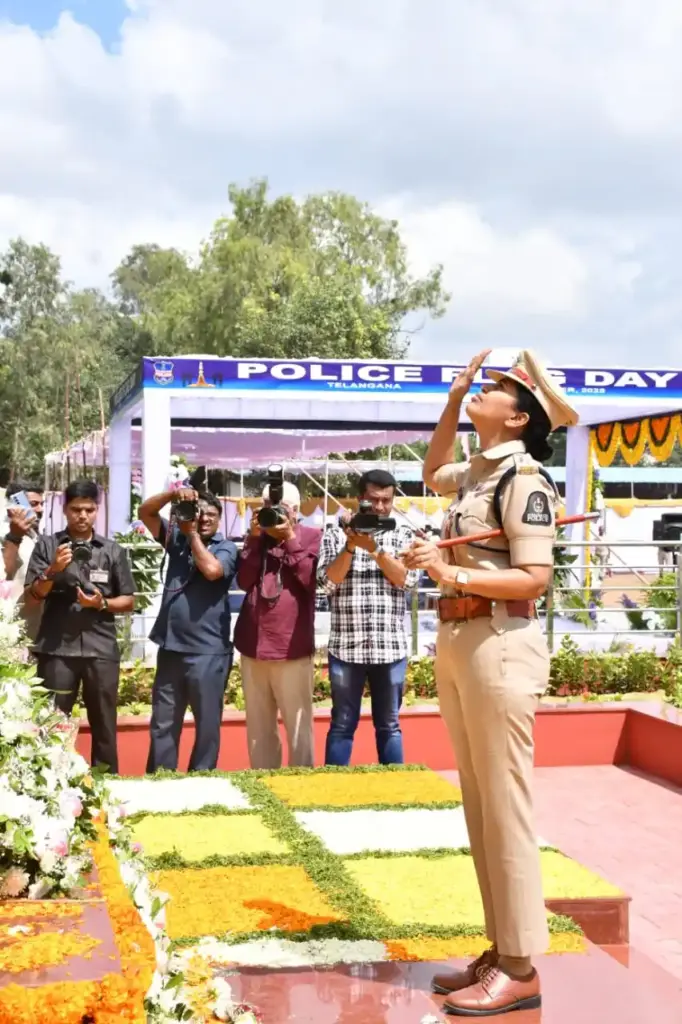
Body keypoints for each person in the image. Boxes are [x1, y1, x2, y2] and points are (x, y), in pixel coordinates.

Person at [402, 350, 579, 1017]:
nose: (485, 390)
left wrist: (452, 576)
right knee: (479, 806)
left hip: (501, 643)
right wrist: (450, 403)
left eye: (497, 389)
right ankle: (500, 949)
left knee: (505, 808)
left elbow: (534, 578)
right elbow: (430, 470)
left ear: (519, 415)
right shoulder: (479, 471)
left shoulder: (525, 479)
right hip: (463, 644)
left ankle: (520, 966)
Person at [24, 479, 135, 773]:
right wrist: (53, 569)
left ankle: (107, 786)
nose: (82, 516)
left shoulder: (113, 550)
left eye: (89, 509)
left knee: (104, 723)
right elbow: (33, 596)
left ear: (97, 510)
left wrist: (101, 604)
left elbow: (129, 600)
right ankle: (49, 789)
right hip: (57, 650)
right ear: (65, 510)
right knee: (51, 725)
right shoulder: (48, 545)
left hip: (100, 650)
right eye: (76, 509)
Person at [317, 469, 419, 766]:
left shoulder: (402, 534)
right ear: (360, 499)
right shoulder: (336, 534)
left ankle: (396, 793)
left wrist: (373, 548)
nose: (380, 507)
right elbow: (326, 584)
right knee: (341, 725)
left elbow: (408, 581)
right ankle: (333, 794)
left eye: (386, 500)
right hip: (347, 648)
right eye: (373, 500)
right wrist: (351, 545)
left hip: (390, 648)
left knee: (389, 726)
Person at [139, 486, 239, 773]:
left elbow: (212, 571)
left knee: (207, 722)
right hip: (171, 647)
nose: (205, 519)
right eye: (200, 513)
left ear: (220, 518)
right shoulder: (177, 540)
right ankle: (160, 779)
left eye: (211, 514)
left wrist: (192, 533)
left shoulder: (226, 547)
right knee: (163, 721)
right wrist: (173, 496)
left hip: (208, 651)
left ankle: (202, 778)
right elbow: (145, 512)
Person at [234, 481, 321, 768]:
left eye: (281, 509)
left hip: (291, 648)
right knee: (259, 731)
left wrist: (290, 539)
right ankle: (263, 786)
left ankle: (303, 791)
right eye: (269, 509)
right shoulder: (257, 539)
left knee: (299, 730)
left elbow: (312, 581)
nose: (274, 515)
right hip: (253, 645)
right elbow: (244, 581)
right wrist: (256, 538)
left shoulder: (311, 536)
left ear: (295, 511)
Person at [2, 480, 45, 643]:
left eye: (42, 504)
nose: (40, 509)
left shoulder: (34, 535)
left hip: (35, 630)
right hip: (11, 632)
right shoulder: (4, 534)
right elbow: (5, 573)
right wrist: (14, 537)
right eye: (34, 504)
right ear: (16, 505)